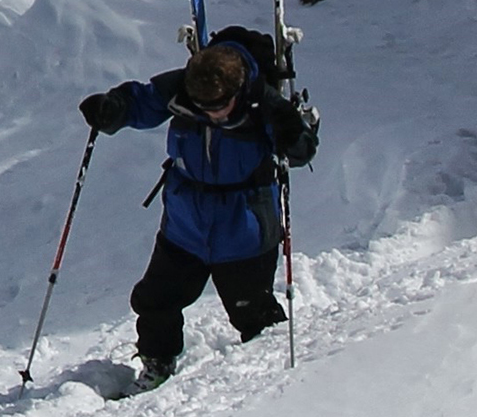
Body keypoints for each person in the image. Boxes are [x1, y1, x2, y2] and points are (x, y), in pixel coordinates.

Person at [79, 25, 317, 389]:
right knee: (156, 300)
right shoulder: (183, 87)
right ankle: (156, 363)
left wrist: (297, 139)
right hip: (184, 224)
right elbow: (141, 101)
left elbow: (300, 150)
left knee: (252, 311)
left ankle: (269, 384)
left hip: (245, 229)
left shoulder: (266, 104)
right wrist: (113, 109)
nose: (212, 114)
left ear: (236, 91)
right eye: (203, 107)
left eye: (219, 107)